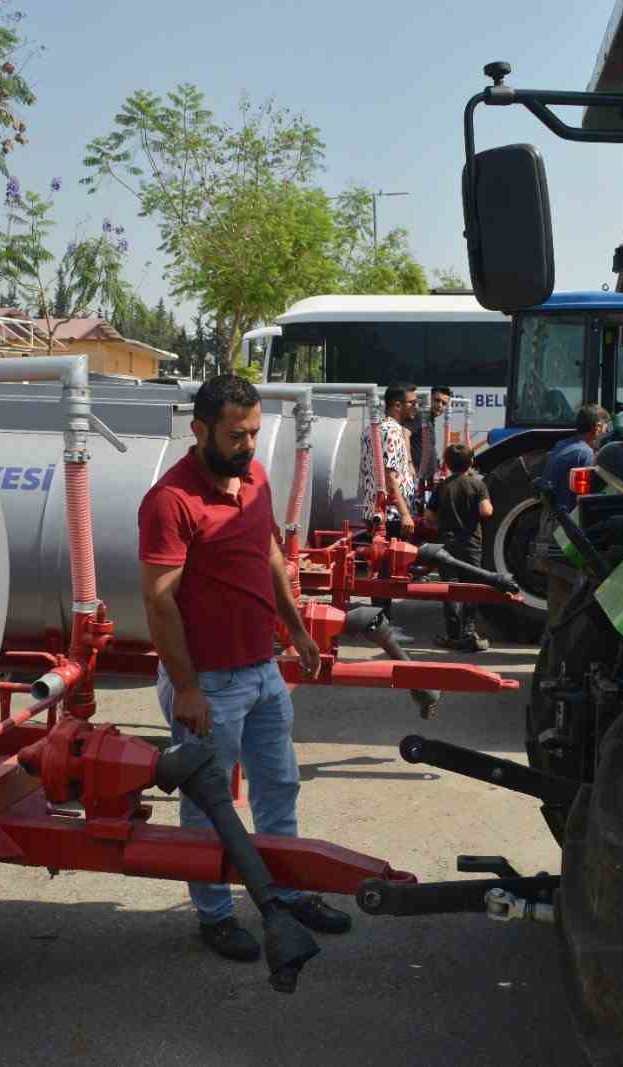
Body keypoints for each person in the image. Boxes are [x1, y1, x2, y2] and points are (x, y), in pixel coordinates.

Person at [139, 374, 352, 963]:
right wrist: (185, 687)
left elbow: (271, 556)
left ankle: (287, 893)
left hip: (263, 671)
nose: (249, 446)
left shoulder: (253, 478)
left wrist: (298, 629)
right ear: (200, 429)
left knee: (279, 785)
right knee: (209, 803)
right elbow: (158, 600)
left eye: (256, 433)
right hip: (210, 683)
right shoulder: (170, 501)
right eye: (237, 435)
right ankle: (214, 915)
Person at [536, 404, 612, 624]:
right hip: (568, 530)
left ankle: (551, 644)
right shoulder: (586, 455)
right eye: (606, 427)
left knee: (557, 592)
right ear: (597, 427)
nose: (607, 431)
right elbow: (585, 500)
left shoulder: (562, 446)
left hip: (549, 525)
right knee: (574, 595)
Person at [426, 443, 494, 652]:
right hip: (471, 544)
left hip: (447, 545)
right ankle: (469, 632)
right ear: (471, 462)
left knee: (450, 588)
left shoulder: (442, 487)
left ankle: (452, 634)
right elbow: (486, 511)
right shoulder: (477, 485)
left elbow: (429, 518)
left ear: (446, 464)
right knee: (470, 588)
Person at [358, 381, 420, 536]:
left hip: (377, 513)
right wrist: (405, 514)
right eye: (412, 403)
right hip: (392, 516)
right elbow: (389, 477)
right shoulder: (391, 431)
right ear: (397, 405)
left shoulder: (372, 429)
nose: (416, 407)